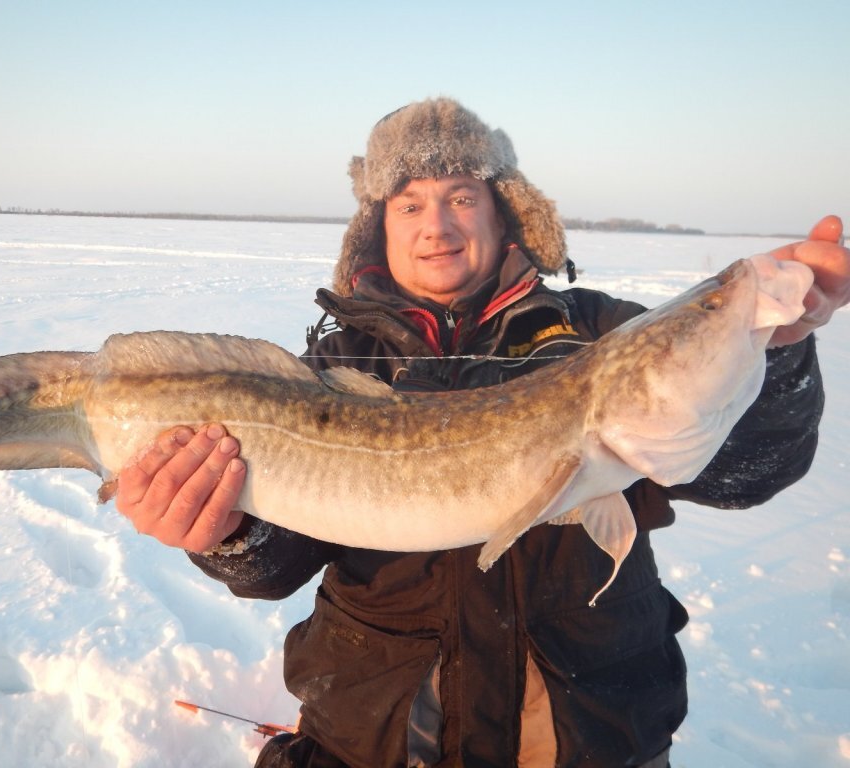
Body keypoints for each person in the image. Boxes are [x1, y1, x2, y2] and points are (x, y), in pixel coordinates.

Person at [115, 99, 850, 767]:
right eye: (409, 205)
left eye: (462, 197)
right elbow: (277, 564)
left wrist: (774, 349)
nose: (437, 226)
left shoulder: (599, 332)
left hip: (591, 737)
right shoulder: (331, 369)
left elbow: (745, 473)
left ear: (504, 216)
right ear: (380, 228)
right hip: (374, 738)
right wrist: (224, 531)